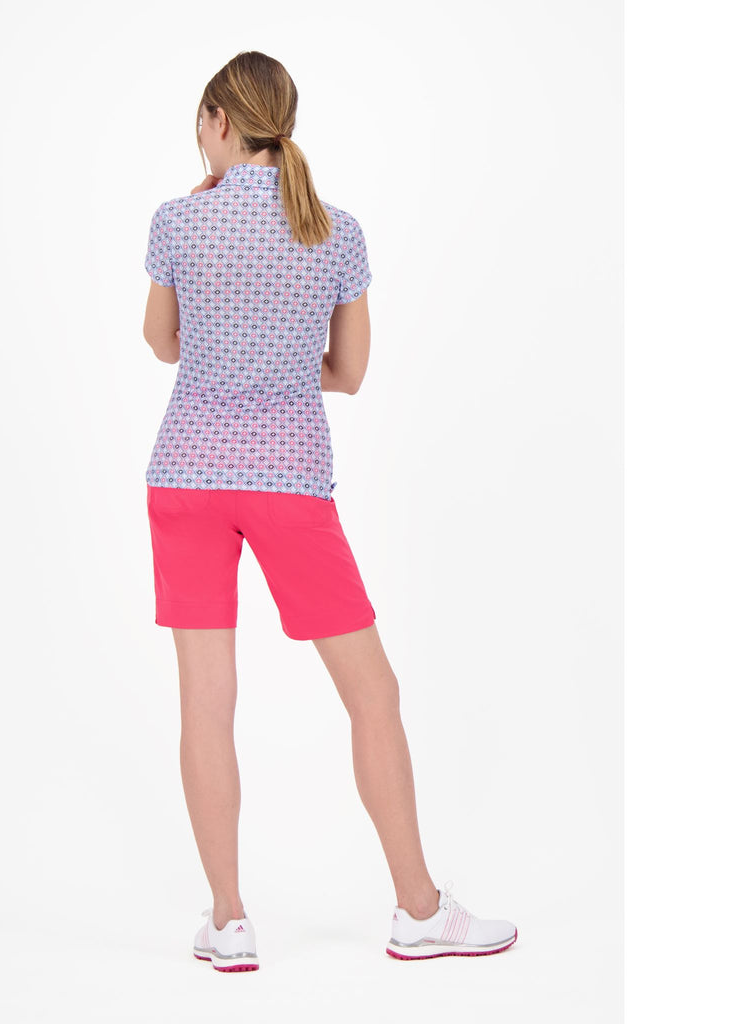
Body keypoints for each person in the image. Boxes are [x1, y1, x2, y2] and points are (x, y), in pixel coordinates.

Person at [142, 50, 517, 971]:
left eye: (200, 127)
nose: (199, 142)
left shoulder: (178, 220)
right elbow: (347, 374)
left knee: (206, 706)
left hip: (186, 477)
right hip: (288, 483)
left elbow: (161, 342)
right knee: (373, 694)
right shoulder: (336, 231)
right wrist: (277, 370)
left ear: (220, 123)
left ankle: (229, 922)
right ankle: (419, 911)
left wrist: (225, 342)